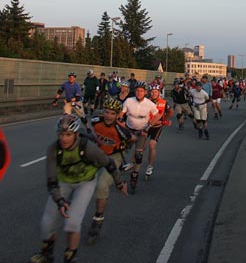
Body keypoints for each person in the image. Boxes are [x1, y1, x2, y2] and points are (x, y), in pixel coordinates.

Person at [29, 113, 127, 263]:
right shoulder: (53, 150)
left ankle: (70, 255)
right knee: (47, 222)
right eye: (61, 135)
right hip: (64, 181)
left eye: (68, 134)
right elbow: (51, 180)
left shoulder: (87, 148)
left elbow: (109, 164)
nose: (64, 139)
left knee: (73, 222)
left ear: (75, 134)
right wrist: (60, 201)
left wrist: (120, 184)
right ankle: (47, 253)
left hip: (85, 182)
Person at [87, 98, 132, 242]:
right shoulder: (95, 121)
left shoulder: (122, 131)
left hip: (113, 157)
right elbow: (88, 129)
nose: (108, 116)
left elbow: (131, 140)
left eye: (112, 113)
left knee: (101, 185)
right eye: (106, 112)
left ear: (117, 114)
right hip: (97, 153)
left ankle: (98, 218)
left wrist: (125, 147)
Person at [120, 82, 161, 191]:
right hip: (129, 130)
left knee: (139, 155)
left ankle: (134, 175)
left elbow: (158, 115)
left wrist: (149, 127)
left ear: (145, 92)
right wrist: (120, 122)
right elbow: (121, 113)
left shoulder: (149, 104)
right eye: (137, 91)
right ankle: (119, 166)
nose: (139, 93)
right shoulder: (129, 101)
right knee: (122, 149)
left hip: (142, 131)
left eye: (142, 91)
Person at [145, 85, 173, 179]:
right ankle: (133, 163)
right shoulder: (146, 102)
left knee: (152, 145)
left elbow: (170, 112)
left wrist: (165, 120)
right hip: (147, 125)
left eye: (156, 92)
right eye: (152, 92)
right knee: (140, 145)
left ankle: (150, 166)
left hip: (157, 126)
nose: (153, 94)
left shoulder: (164, 102)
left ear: (159, 92)